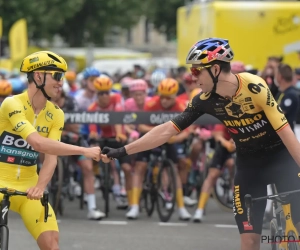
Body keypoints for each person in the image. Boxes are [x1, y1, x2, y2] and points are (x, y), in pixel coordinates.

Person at [101, 38, 300, 250]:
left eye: (196, 71)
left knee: (296, 228)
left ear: (215, 69)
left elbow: (286, 132)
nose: (192, 77)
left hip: (281, 159)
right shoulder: (204, 99)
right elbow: (167, 130)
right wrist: (122, 151)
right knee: (250, 241)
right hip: (249, 165)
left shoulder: (254, 86)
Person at [0, 51, 100, 250]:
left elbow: (50, 158)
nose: (61, 82)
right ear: (38, 76)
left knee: (52, 245)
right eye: (56, 76)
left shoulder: (56, 114)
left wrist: (40, 185)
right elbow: (37, 143)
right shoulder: (12, 103)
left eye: (62, 77)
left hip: (28, 186)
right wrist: (83, 150)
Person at [125, 78, 192, 220]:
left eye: (169, 98)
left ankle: (181, 208)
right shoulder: (151, 104)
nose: (165, 101)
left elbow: (187, 131)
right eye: (162, 97)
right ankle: (135, 206)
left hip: (169, 139)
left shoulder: (180, 107)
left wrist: (176, 138)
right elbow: (141, 126)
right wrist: (159, 132)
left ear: (175, 96)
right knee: (140, 166)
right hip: (151, 137)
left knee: (173, 169)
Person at [51, 86, 105, 220]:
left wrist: (61, 127)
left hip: (74, 138)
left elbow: (76, 126)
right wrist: (64, 127)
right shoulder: (44, 102)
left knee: (87, 168)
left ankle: (92, 208)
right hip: (53, 138)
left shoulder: (71, 102)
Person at [274, 63, 299, 131]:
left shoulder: (291, 94)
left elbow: (279, 114)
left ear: (280, 77)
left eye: (275, 74)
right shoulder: (281, 93)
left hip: (290, 133)